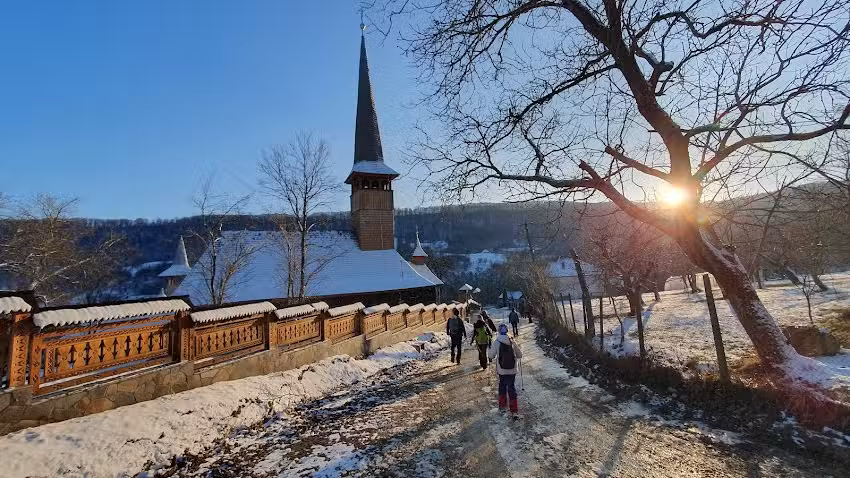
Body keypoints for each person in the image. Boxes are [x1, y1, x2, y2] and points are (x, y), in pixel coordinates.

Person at [488, 324, 523, 414]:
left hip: (502, 370)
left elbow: (491, 355)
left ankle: (503, 406)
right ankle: (514, 410)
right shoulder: (512, 341)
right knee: (511, 387)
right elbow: (520, 355)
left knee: (502, 387)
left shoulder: (497, 342)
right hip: (512, 370)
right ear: (507, 331)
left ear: (499, 332)